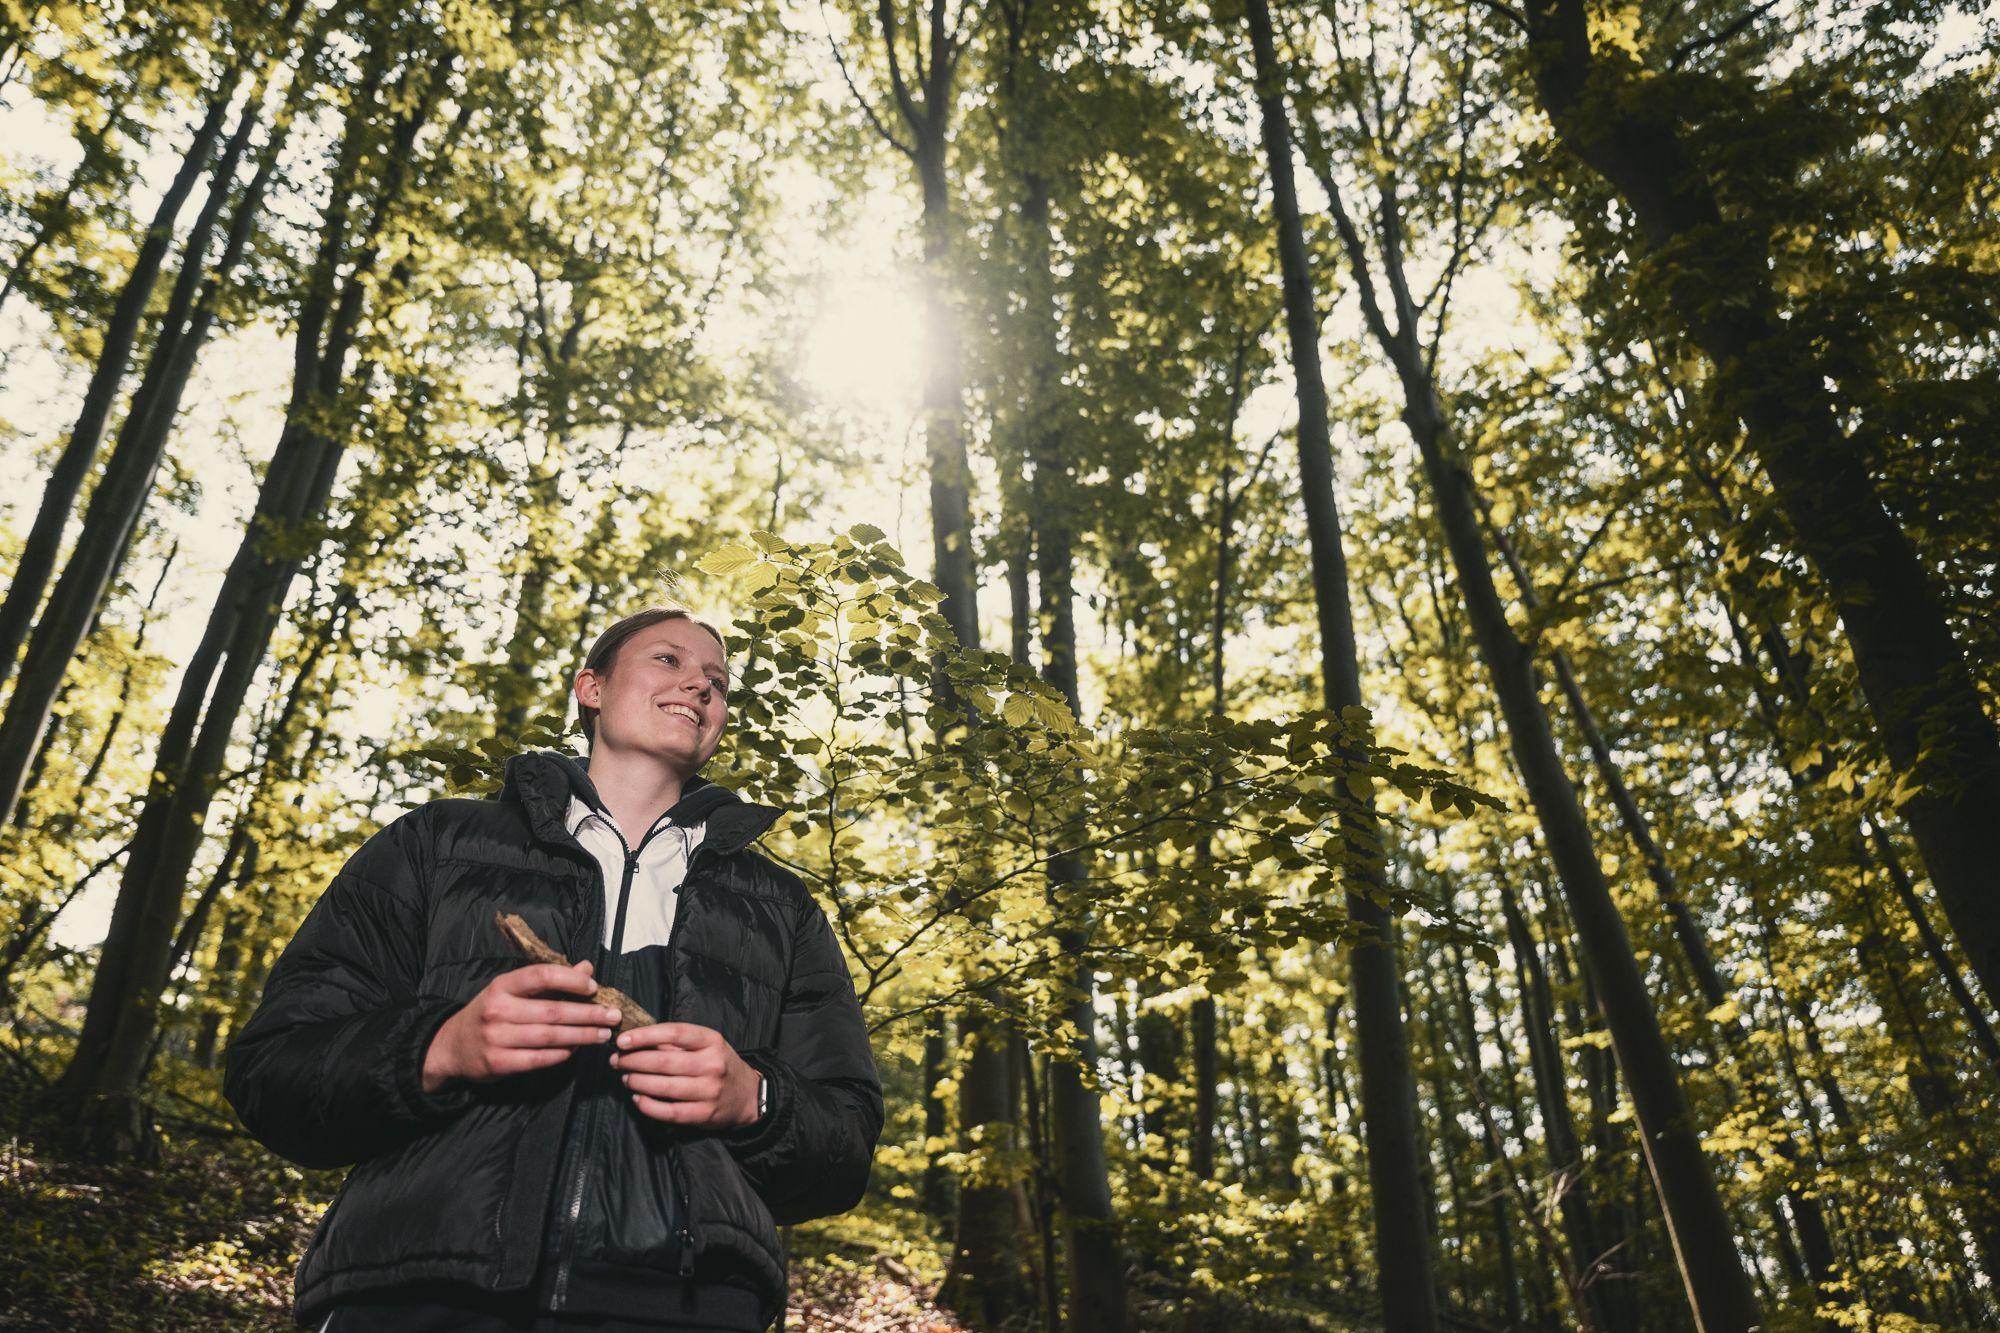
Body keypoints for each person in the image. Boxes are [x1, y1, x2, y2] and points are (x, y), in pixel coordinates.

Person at [226, 606, 883, 1332]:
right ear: (590, 687)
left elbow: (846, 1146)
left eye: (719, 681)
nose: (701, 684)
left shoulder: (780, 908)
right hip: (419, 1292)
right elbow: (273, 1070)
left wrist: (754, 1099)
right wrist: (438, 1048)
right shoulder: (438, 844)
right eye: (669, 660)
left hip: (689, 1307)